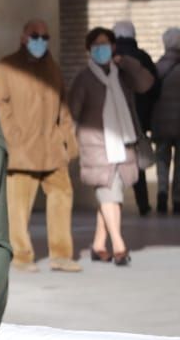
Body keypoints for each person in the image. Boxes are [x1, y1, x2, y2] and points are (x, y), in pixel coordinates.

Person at [0, 19, 79, 271]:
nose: (40, 40)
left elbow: (63, 106)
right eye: (35, 35)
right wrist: (12, 137)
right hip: (21, 150)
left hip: (51, 147)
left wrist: (67, 141)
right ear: (23, 37)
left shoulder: (52, 68)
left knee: (62, 196)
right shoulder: (6, 68)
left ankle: (61, 255)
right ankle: (20, 255)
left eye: (45, 36)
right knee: (18, 206)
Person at [68, 27, 154, 264]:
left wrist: (126, 62)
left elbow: (146, 83)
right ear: (89, 50)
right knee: (110, 196)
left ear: (113, 47)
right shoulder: (83, 78)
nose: (101, 49)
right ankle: (119, 245)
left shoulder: (122, 74)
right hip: (96, 146)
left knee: (110, 194)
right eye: (96, 46)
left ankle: (98, 244)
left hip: (122, 143)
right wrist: (68, 142)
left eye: (106, 44)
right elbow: (71, 113)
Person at [112, 20, 160, 215]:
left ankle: (114, 203)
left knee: (114, 160)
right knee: (136, 159)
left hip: (115, 116)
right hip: (138, 116)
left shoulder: (112, 58)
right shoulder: (143, 57)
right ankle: (142, 203)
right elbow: (153, 88)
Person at [154, 27, 180, 214]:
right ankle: (178, 199)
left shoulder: (158, 67)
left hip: (161, 122)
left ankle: (162, 192)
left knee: (162, 159)